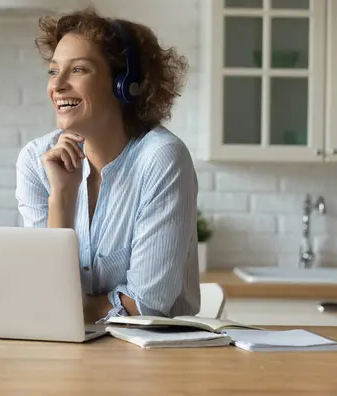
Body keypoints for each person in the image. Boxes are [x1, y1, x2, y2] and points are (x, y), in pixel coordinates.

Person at [15, 7, 200, 323]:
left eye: (78, 70)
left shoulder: (162, 158)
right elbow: (42, 293)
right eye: (53, 71)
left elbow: (147, 305)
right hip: (64, 350)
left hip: (152, 356)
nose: (57, 85)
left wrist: (62, 307)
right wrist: (61, 198)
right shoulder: (37, 159)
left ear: (125, 85)